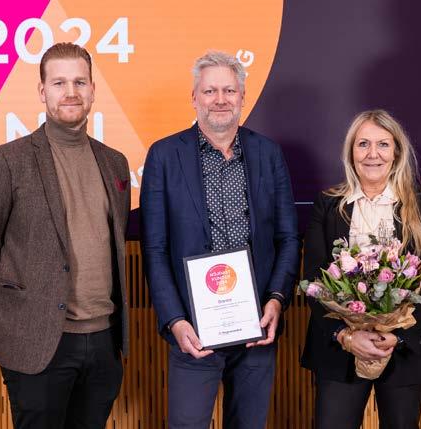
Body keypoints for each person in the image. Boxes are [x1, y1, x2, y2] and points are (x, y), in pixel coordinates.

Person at [0, 42, 131, 429]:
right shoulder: (7, 160)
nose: (71, 92)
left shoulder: (114, 163)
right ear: (42, 91)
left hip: (103, 342)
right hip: (36, 343)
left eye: (80, 82)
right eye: (59, 83)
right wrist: (18, 309)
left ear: (93, 90)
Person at [140, 51, 300, 428]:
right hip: (193, 331)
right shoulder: (164, 156)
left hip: (257, 327)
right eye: (210, 90)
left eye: (229, 90)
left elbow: (288, 238)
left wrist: (276, 300)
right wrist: (175, 320)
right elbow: (155, 250)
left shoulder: (267, 153)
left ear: (242, 95)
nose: (220, 99)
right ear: (194, 97)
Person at [301, 109, 421, 429]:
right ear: (351, 153)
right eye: (363, 144)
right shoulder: (327, 205)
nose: (373, 154)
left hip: (405, 349)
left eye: (383, 144)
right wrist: (346, 336)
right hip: (339, 350)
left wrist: (396, 336)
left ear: (396, 152)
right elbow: (314, 281)